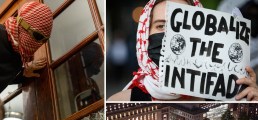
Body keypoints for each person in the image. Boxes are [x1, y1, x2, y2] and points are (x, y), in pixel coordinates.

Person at [108, 0, 258, 101]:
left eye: (182, 25)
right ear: (145, 35)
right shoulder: (120, 100)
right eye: (161, 26)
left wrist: (251, 102)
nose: (173, 36)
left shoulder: (227, 96)